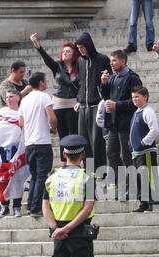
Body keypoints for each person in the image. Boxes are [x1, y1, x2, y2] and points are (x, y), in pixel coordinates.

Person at [30, 33, 80, 167]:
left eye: (68, 51)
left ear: (74, 54)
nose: (65, 53)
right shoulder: (57, 67)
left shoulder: (80, 67)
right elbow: (47, 59)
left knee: (73, 132)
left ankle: (74, 160)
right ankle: (64, 162)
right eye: (63, 51)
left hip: (73, 103)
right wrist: (38, 46)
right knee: (62, 133)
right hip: (58, 103)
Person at [0, 89, 30, 218]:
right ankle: (4, 206)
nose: (8, 99)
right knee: (2, 178)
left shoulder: (21, 112)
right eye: (7, 97)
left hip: (17, 148)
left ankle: (17, 207)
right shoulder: (1, 112)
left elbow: (25, 128)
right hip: (1, 149)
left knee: (17, 179)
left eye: (11, 96)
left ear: (18, 98)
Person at [100, 50, 142, 196]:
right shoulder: (112, 78)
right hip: (113, 123)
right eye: (111, 61)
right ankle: (123, 184)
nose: (111, 63)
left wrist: (117, 105)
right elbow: (106, 97)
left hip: (127, 123)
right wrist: (104, 84)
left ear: (123, 62)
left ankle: (134, 187)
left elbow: (137, 100)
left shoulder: (132, 78)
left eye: (114, 61)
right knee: (111, 153)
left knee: (127, 155)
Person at [19, 72, 57, 216]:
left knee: (34, 176)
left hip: (29, 143)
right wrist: (53, 129)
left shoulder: (25, 100)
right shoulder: (44, 97)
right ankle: (36, 208)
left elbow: (21, 122)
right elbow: (52, 117)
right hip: (42, 142)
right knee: (42, 176)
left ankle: (30, 205)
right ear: (41, 83)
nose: (46, 82)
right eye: (45, 80)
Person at [74, 32, 112, 173]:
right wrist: (78, 99)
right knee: (84, 141)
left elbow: (110, 80)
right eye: (79, 48)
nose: (81, 50)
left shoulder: (102, 59)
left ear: (89, 45)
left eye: (83, 47)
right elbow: (80, 83)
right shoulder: (80, 61)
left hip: (97, 105)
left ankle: (100, 172)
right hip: (83, 106)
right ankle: (89, 172)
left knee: (97, 141)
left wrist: (104, 83)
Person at [130, 86, 159, 212]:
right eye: (133, 97)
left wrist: (144, 142)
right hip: (136, 152)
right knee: (139, 178)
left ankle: (153, 200)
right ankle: (143, 202)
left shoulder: (148, 111)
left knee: (148, 176)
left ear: (145, 96)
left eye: (137, 97)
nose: (134, 100)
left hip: (146, 151)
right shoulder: (137, 111)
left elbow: (155, 129)